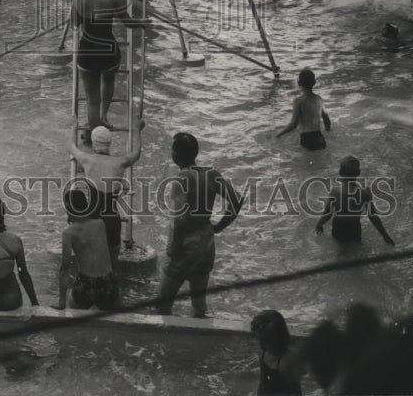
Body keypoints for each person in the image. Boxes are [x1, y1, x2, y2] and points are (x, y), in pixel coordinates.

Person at [157, 132, 242, 317]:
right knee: (198, 302)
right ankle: (200, 334)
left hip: (187, 243)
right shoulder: (211, 173)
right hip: (206, 241)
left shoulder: (181, 180)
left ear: (175, 155)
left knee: (162, 305)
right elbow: (237, 200)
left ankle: (166, 342)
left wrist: (173, 248)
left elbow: (180, 221)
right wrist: (219, 226)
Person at [72, 0, 139, 136]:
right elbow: (129, 22)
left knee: (92, 100)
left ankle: (95, 138)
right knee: (108, 80)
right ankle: (104, 116)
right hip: (109, 51)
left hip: (87, 50)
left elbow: (74, 24)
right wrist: (144, 23)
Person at [69, 120, 144, 267]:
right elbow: (136, 153)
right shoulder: (120, 163)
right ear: (109, 143)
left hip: (91, 219)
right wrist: (136, 130)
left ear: (93, 142)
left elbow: (72, 147)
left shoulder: (86, 159)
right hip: (111, 221)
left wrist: (74, 128)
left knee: (88, 265)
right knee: (111, 267)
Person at [56, 187, 119, 311]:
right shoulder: (100, 223)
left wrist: (61, 302)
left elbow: (64, 269)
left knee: (72, 305)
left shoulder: (69, 233)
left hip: (87, 284)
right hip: (108, 283)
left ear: (68, 210)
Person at [315, 155, 395, 245]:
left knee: (339, 251)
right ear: (358, 172)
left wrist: (319, 224)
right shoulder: (365, 192)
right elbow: (373, 217)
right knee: (356, 249)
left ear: (340, 172)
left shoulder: (335, 191)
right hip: (354, 228)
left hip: (338, 228)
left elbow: (327, 214)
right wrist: (385, 235)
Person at [277, 68, 331, 150]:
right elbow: (326, 118)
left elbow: (294, 124)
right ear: (314, 82)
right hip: (319, 137)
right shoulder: (319, 99)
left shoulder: (298, 101)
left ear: (299, 82)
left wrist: (279, 134)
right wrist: (328, 130)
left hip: (307, 138)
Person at [251, 309, 302, 396]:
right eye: (259, 338)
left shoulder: (287, 360)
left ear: (278, 338)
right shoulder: (264, 354)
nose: (261, 343)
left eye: (266, 339)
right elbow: (263, 382)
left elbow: (296, 391)